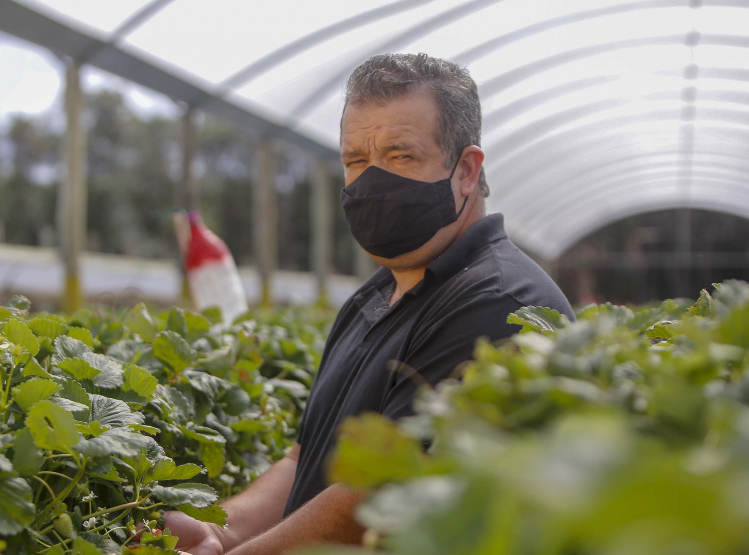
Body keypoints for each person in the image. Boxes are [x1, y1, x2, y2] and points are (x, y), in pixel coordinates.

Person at [165, 52, 575, 555]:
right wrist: (221, 529)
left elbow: (385, 494)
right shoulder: (374, 294)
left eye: (401, 155)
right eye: (356, 160)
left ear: (467, 171)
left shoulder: (500, 304)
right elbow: (305, 460)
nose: (371, 181)